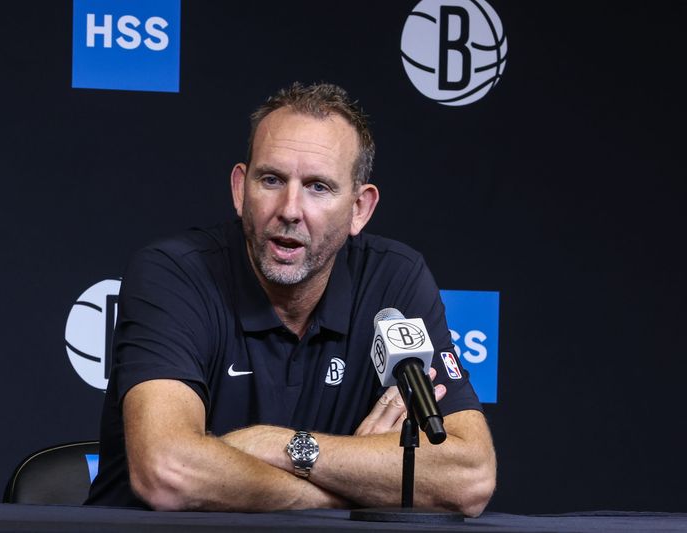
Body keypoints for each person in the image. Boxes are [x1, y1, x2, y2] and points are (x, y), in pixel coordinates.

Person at [85, 82, 496, 515]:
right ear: (240, 190)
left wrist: (283, 446)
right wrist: (342, 495)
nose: (290, 209)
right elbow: (168, 472)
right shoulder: (174, 273)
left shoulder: (394, 279)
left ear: (360, 208)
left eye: (318, 187)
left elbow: (469, 478)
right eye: (271, 179)